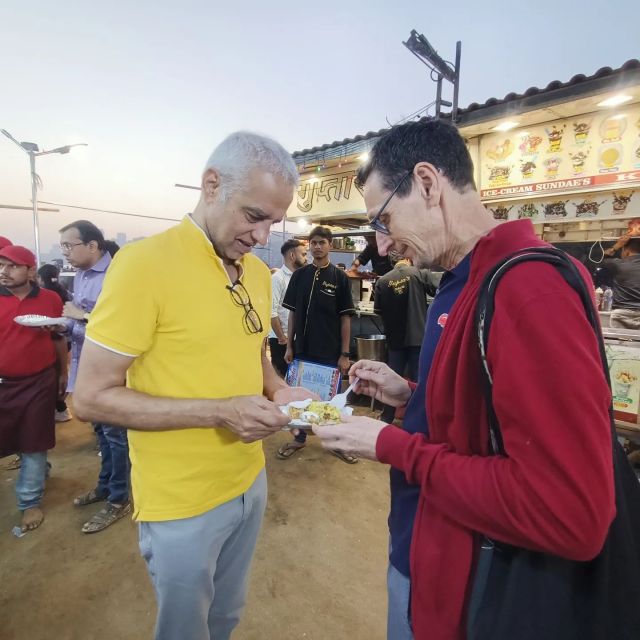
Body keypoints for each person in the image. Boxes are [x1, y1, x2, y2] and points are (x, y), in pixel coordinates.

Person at [312, 119, 615, 639]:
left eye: (382, 221)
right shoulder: (461, 282)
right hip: (427, 549)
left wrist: (392, 445)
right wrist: (411, 397)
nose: (381, 247)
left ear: (428, 183)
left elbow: (571, 514)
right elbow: (484, 423)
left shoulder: (529, 290)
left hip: (468, 589)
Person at [72, 131, 316, 640]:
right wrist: (220, 412)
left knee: (225, 616)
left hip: (250, 481)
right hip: (182, 499)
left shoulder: (252, 270)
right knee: (186, 628)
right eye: (254, 216)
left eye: (274, 221)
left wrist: (277, 391)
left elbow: (254, 352)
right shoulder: (144, 266)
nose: (264, 234)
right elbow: (90, 397)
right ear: (211, 185)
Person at [58, 220, 131, 534]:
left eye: (69, 245)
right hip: (83, 363)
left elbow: (123, 325)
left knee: (116, 436)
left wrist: (81, 315)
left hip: (109, 372)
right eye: (62, 247)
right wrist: (63, 324)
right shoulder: (82, 275)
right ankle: (105, 486)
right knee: (102, 433)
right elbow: (80, 321)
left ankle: (119, 498)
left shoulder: (119, 275)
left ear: (93, 245)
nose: (66, 253)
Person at [0, 245, 68, 532]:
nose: (4, 271)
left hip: (39, 381)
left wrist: (63, 372)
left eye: (12, 266)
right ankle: (39, 473)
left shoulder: (50, 299)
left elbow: (57, 337)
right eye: (1, 265)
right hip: (3, 384)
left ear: (30, 270)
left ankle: (29, 501)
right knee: (13, 438)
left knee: (34, 441)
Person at [278, 225, 356, 462]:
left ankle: (335, 441)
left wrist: (344, 353)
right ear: (308, 246)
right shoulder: (299, 276)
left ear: (330, 245)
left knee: (331, 399)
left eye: (322, 242)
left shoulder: (340, 278)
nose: (317, 247)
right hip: (302, 349)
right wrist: (289, 346)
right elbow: (291, 314)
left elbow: (345, 318)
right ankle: (300, 438)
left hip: (329, 350)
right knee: (300, 397)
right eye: (313, 243)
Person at [374, 255, 433, 424]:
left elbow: (378, 310)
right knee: (418, 380)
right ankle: (416, 419)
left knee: (391, 378)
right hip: (418, 338)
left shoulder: (383, 281)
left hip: (395, 340)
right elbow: (440, 286)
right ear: (408, 258)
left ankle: (387, 417)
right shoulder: (418, 273)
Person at [38, 263, 73, 422]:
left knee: (56, 373)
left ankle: (59, 408)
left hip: (56, 338)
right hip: (67, 338)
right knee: (61, 372)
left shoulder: (45, 296)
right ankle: (61, 407)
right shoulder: (64, 292)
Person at [268, 238, 308, 377]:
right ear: (292, 256)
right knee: (281, 379)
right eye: (303, 254)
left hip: (296, 338)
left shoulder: (300, 277)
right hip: (281, 339)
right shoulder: (277, 278)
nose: (306, 258)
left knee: (295, 379)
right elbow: (271, 313)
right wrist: (282, 338)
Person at [603, 234, 640, 329]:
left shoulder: (618, 264)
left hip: (621, 314)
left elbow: (605, 257)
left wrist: (616, 246)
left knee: (618, 343)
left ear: (626, 251)